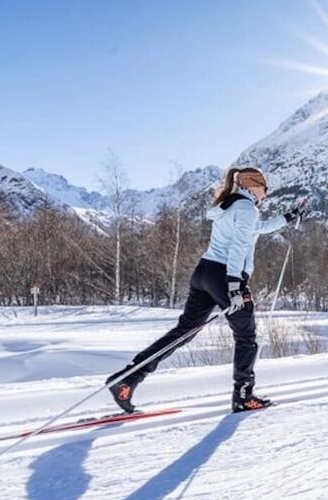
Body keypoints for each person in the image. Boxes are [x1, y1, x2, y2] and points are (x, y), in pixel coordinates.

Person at [106, 167, 305, 413]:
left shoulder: (230, 206)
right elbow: (239, 246)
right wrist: (235, 285)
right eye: (265, 188)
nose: (266, 193)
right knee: (246, 336)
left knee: (184, 332)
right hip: (225, 275)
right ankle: (243, 395)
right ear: (252, 186)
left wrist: (289, 216)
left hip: (204, 273)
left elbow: (257, 229)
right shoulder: (247, 209)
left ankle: (128, 379)